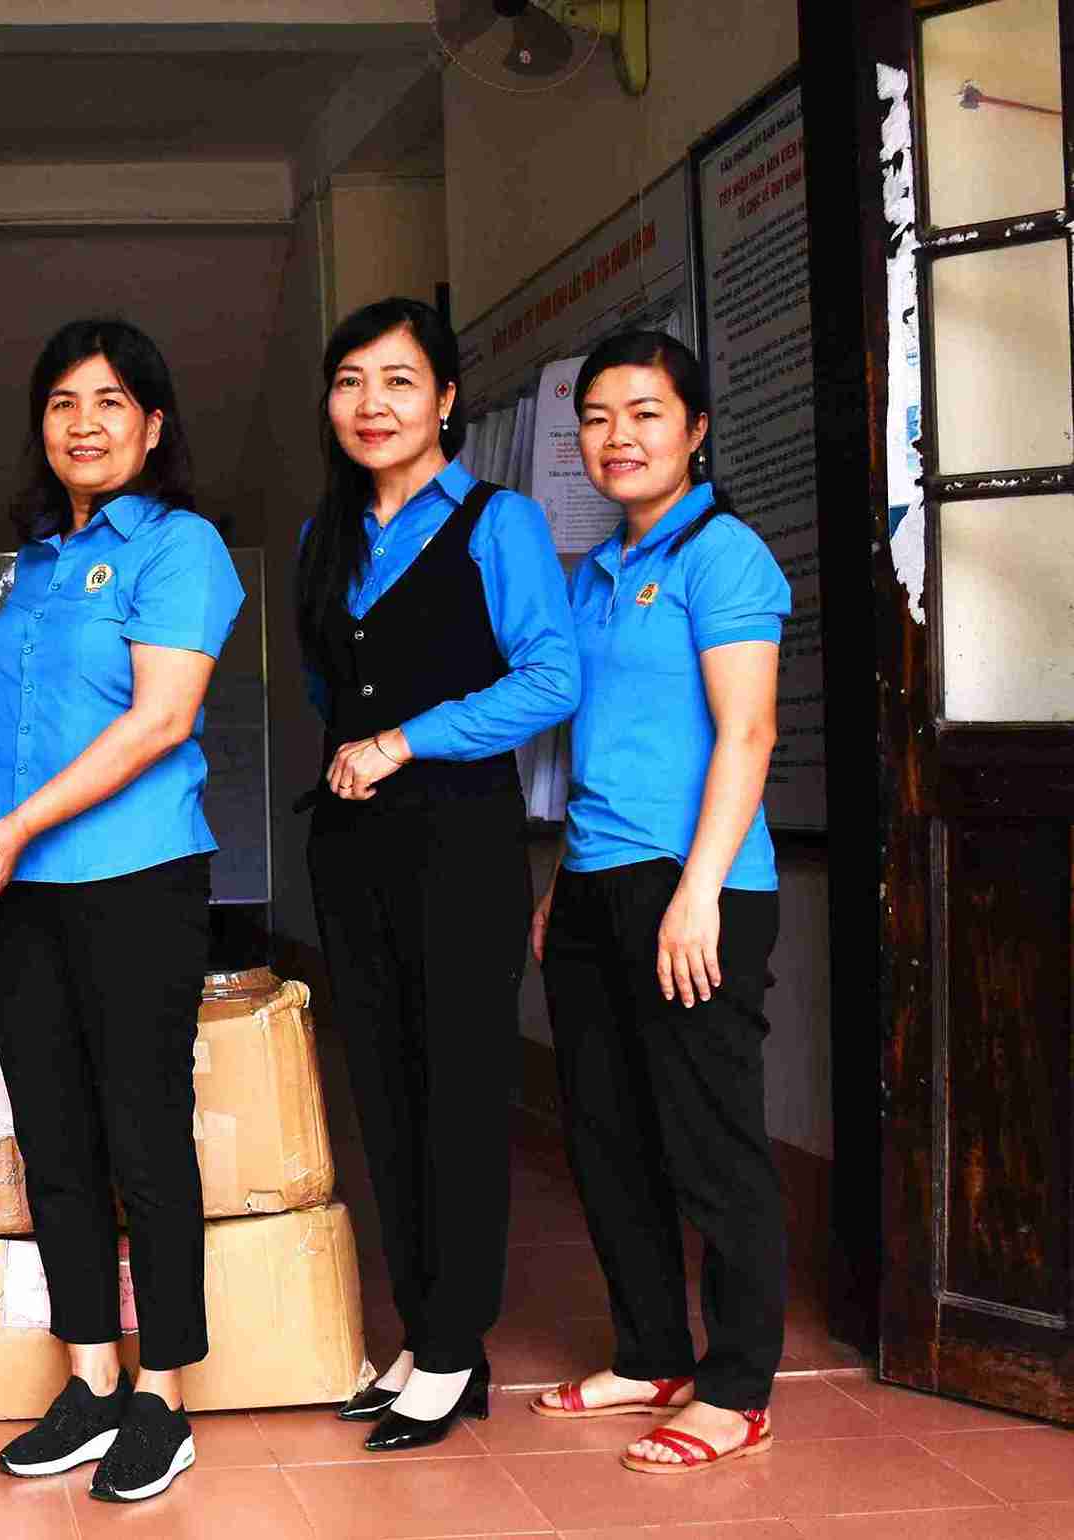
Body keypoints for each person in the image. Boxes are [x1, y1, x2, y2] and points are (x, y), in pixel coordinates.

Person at [0, 318, 244, 1506]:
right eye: (64, 401)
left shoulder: (184, 547)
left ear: (154, 423)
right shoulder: (34, 560)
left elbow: (160, 719)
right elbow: (13, 706)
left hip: (135, 878)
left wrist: (17, 826)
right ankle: (88, 1378)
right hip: (22, 895)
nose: (84, 421)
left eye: (112, 400)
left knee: (144, 1135)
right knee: (55, 1137)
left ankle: (162, 1396)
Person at [295, 296, 578, 1451]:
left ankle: (458, 1346)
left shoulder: (499, 525)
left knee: (459, 1088)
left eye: (400, 381)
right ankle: (423, 1333)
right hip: (353, 842)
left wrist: (406, 739)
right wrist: (361, 751)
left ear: (447, 399)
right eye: (352, 380)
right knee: (384, 1087)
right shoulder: (329, 536)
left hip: (459, 834)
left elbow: (551, 677)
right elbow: (328, 687)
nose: (374, 404)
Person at [530, 330, 790, 1476]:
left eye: (645, 411)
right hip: (595, 886)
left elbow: (748, 731)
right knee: (607, 1135)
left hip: (702, 886)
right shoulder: (589, 577)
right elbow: (601, 749)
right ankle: (650, 1350)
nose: (618, 435)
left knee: (710, 1141)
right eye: (596, 416)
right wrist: (560, 885)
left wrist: (697, 894)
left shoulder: (722, 556)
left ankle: (736, 1388)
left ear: (694, 429)